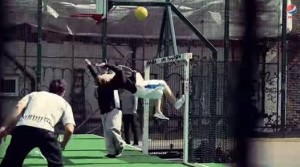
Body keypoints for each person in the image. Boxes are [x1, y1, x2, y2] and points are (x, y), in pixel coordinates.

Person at [0, 79, 76, 167]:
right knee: (56, 164)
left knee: (10, 163)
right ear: (63, 92)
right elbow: (70, 129)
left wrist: (5, 126)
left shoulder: (34, 94)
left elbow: (18, 107)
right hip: (46, 132)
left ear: (49, 89)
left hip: (23, 129)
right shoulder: (65, 103)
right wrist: (63, 144)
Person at [89, 59, 185, 120]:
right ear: (106, 79)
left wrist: (91, 66)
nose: (105, 73)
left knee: (158, 91)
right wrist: (107, 65)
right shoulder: (117, 80)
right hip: (140, 88)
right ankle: (175, 103)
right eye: (104, 74)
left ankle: (158, 111)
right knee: (162, 83)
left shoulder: (111, 83)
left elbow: (99, 77)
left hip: (139, 89)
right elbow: (118, 70)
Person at [85, 59, 126, 158]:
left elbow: (120, 71)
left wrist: (107, 64)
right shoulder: (100, 82)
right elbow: (95, 76)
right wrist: (90, 66)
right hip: (104, 109)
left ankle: (120, 145)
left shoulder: (114, 82)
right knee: (107, 132)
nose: (102, 74)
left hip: (114, 108)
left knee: (112, 129)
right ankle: (111, 151)